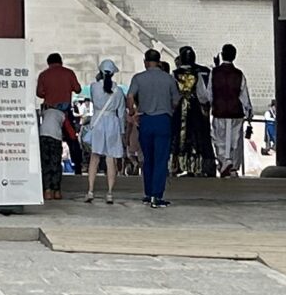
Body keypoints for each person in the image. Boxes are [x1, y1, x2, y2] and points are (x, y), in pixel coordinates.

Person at [129, 49, 176, 207]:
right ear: (159, 61)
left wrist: (132, 112)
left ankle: (148, 193)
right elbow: (176, 100)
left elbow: (129, 97)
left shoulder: (138, 78)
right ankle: (157, 195)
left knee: (147, 159)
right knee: (160, 160)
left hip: (146, 120)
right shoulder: (169, 79)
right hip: (163, 120)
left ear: (145, 61)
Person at [35, 52, 81, 202]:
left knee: (46, 158)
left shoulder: (43, 75)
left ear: (49, 63)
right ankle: (78, 167)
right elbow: (78, 89)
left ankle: (47, 190)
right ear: (61, 62)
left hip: (48, 114)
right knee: (72, 142)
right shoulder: (69, 73)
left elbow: (40, 94)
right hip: (65, 113)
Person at [82, 59, 126, 205]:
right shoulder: (119, 91)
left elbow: (94, 101)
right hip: (112, 122)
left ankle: (90, 190)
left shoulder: (94, 87)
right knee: (110, 159)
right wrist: (122, 131)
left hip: (98, 122)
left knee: (94, 158)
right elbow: (121, 113)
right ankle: (109, 193)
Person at [169, 46, 215, 178]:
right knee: (195, 137)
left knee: (178, 136)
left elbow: (173, 92)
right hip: (194, 108)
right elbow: (202, 94)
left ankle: (177, 165)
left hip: (179, 108)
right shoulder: (197, 74)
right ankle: (194, 165)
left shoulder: (175, 74)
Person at [209, 45, 253, 178]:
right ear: (234, 56)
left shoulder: (214, 73)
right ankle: (232, 166)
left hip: (220, 111)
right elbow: (243, 95)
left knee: (220, 140)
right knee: (235, 140)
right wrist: (249, 111)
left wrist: (212, 105)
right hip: (235, 112)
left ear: (222, 54)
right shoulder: (239, 74)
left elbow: (209, 93)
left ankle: (223, 161)